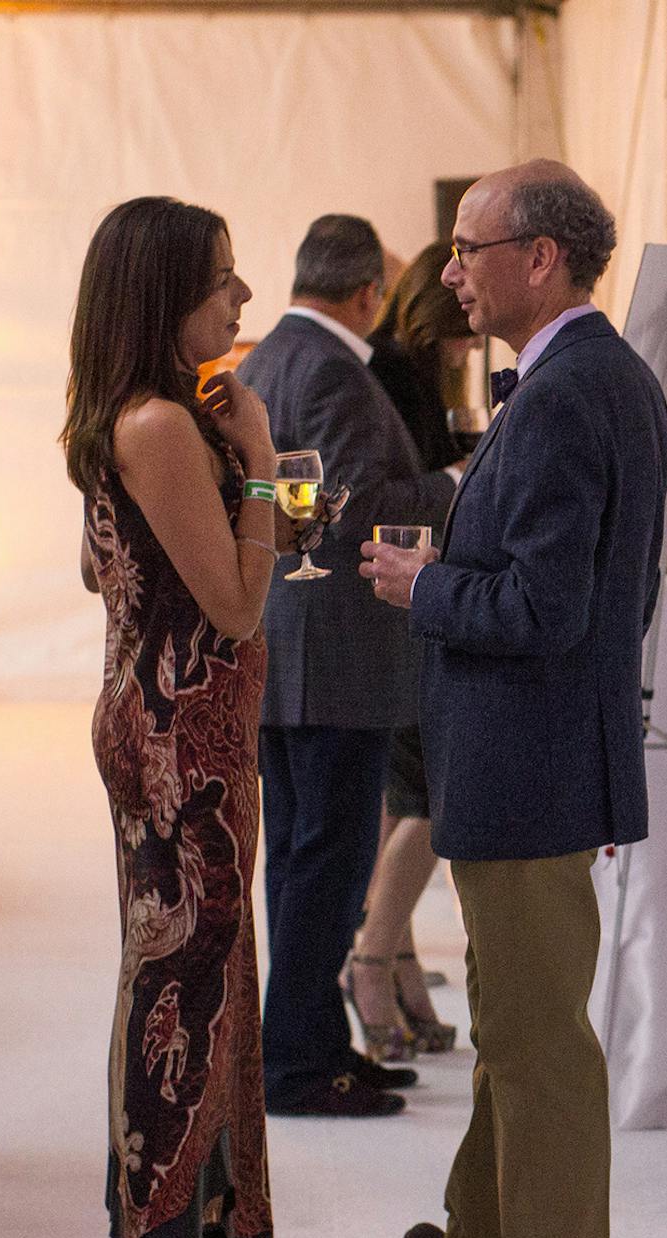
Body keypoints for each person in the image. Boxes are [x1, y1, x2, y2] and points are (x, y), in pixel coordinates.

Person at [360, 159, 667, 1238]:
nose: (449, 270)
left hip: (526, 766)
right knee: (516, 1038)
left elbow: (547, 608)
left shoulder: (560, 397)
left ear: (540, 256)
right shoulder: (599, 378)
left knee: (541, 1056)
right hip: (539, 762)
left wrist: (420, 588)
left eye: (468, 246)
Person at [64, 195, 289, 1238]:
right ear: (163, 298)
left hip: (173, 728)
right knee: (183, 994)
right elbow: (243, 604)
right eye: (222, 282)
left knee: (192, 981)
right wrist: (260, 469)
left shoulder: (136, 417)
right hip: (181, 747)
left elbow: (107, 568)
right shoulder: (160, 424)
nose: (242, 301)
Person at [237, 215, 457, 1112]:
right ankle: (295, 1062)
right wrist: (452, 482)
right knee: (325, 865)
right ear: (368, 292)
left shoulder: (261, 362)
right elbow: (357, 506)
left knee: (298, 861)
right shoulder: (336, 369)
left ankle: (310, 1044)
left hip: (282, 645)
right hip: (335, 654)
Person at [345, 242, 483, 1057]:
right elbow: (404, 486)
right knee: (430, 798)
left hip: (407, 597)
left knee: (409, 798)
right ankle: (370, 959)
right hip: (405, 600)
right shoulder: (398, 372)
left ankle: (393, 962)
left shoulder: (410, 369)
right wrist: (460, 475)